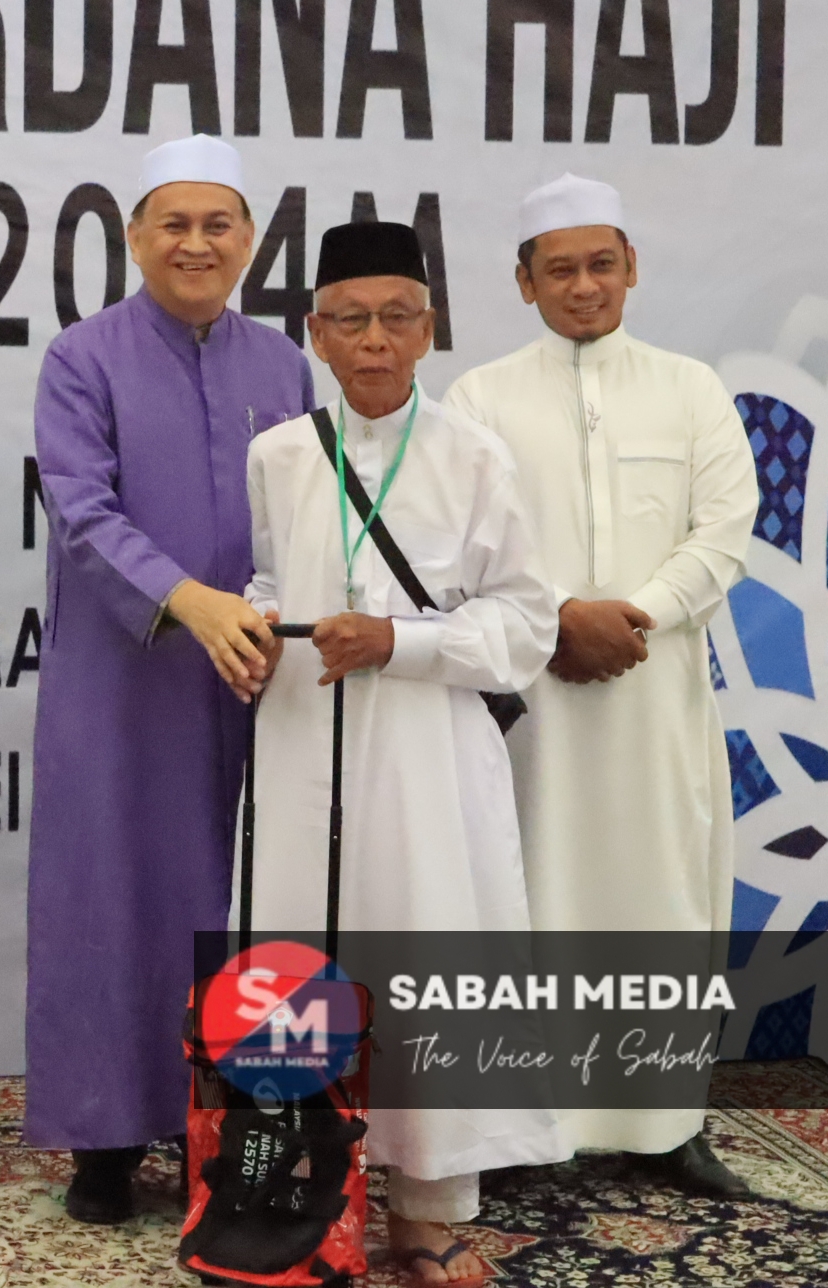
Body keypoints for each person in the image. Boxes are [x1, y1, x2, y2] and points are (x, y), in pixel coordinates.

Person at [244, 221, 564, 1285]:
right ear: (315, 334)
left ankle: (427, 1213)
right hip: (302, 744)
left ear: (428, 330)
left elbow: (525, 623)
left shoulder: (476, 455)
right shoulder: (279, 454)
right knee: (301, 959)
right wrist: (254, 630)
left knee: (428, 958)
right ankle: (302, 1204)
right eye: (350, 320)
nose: (373, 340)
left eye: (394, 318)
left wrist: (401, 642)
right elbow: (267, 578)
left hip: (430, 756)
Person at [444, 174, 759, 1195]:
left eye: (601, 265)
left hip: (655, 698)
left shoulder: (690, 388)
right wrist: (559, 621)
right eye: (560, 270)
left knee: (661, 900)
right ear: (523, 283)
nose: (584, 286)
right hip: (530, 706)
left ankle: (663, 1125)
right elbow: (464, 544)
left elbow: (724, 531)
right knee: (526, 897)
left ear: (631, 268)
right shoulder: (479, 399)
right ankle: (520, 1129)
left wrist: (637, 617)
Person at [25, 134, 315, 1223]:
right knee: (110, 891)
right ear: (135, 237)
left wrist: (276, 611)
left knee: (246, 899)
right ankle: (104, 1136)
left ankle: (232, 1130)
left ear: (249, 239)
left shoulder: (284, 366)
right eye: (174, 224)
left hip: (252, 676)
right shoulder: (81, 358)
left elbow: (308, 515)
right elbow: (81, 510)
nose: (196, 244)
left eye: (217, 224)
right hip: (123, 676)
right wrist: (187, 600)